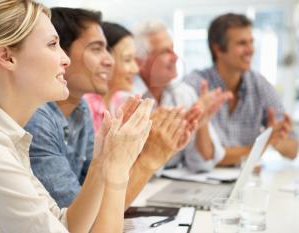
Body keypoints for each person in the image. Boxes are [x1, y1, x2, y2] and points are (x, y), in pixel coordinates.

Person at [0, 1, 154, 232]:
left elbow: (63, 225)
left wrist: (103, 160)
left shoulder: (1, 138)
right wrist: (118, 171)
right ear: (6, 57)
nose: (65, 59)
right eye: (52, 44)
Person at [25, 7, 197, 211]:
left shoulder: (80, 109)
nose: (109, 61)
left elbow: (98, 194)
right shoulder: (37, 119)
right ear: (62, 53)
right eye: (96, 49)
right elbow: (80, 218)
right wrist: (150, 158)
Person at [184, 13, 298, 165]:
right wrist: (261, 146)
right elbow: (205, 157)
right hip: (200, 182)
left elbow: (293, 150)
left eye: (251, 42)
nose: (250, 50)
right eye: (242, 43)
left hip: (245, 180)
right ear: (218, 49)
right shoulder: (195, 86)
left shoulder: (259, 84)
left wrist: (276, 140)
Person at [133, 20, 233, 171]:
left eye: (173, 49)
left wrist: (202, 122)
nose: (175, 56)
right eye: (165, 51)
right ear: (141, 62)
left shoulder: (184, 93)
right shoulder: (128, 98)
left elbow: (203, 162)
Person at [84, 22, 139, 132]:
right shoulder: (84, 108)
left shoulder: (119, 101)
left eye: (134, 59)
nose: (136, 69)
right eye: (127, 60)